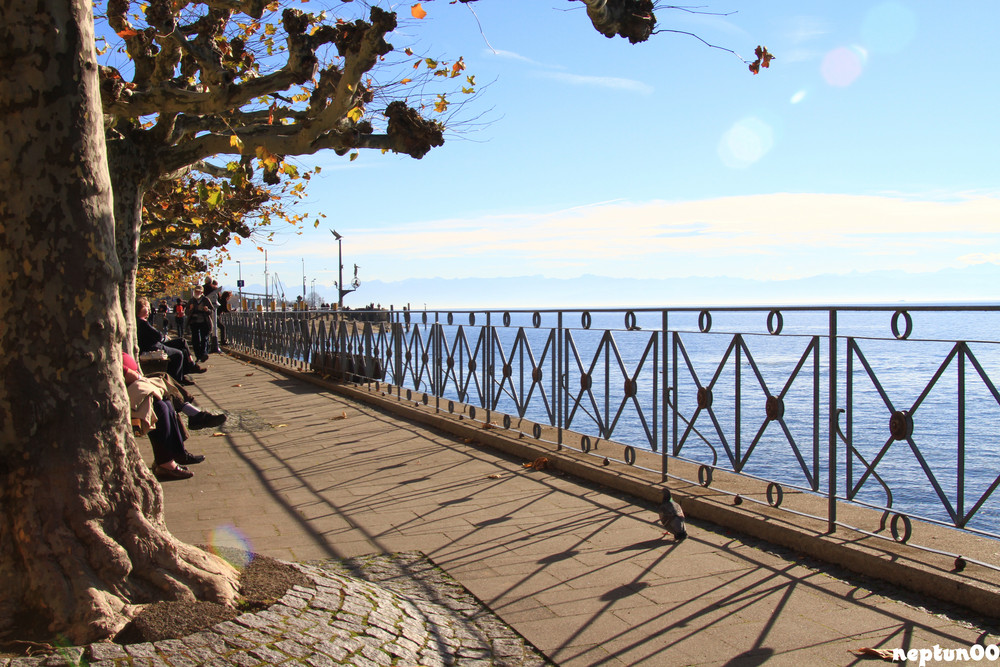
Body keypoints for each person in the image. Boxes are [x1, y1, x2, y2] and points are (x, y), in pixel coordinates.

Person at [123, 352, 213, 480]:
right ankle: (166, 462)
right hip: (127, 388)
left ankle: (176, 454)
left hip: (135, 383)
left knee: (166, 402)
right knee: (160, 406)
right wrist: (136, 375)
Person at [136, 297, 204, 385]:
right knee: (179, 353)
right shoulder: (142, 322)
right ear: (140, 308)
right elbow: (158, 336)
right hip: (154, 346)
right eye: (147, 307)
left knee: (182, 343)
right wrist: (165, 337)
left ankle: (187, 369)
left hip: (155, 344)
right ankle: (178, 379)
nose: (149, 310)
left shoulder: (141, 321)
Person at [187, 285, 213, 362]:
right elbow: (186, 312)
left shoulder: (206, 300)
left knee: (204, 338)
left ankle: (204, 354)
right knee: (195, 340)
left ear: (202, 292)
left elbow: (211, 310)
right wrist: (190, 309)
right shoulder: (191, 300)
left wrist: (207, 310)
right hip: (194, 322)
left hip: (204, 322)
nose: (197, 293)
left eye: (199, 291)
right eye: (196, 291)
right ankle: (198, 355)